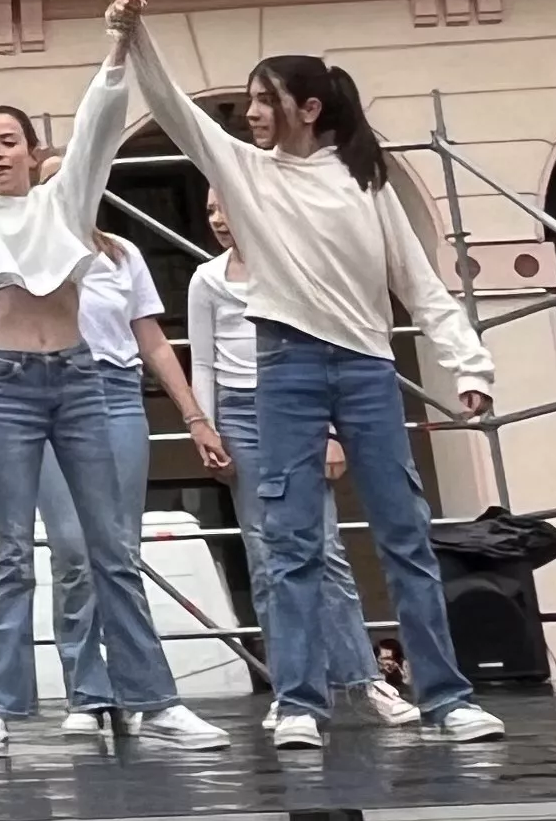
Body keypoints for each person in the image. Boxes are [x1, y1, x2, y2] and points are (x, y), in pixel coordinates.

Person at [129, 5, 509, 746]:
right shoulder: (246, 172)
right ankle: (300, 702)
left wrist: (471, 364)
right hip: (286, 364)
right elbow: (174, 110)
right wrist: (132, 35)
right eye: (249, 99)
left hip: (367, 368)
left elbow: (421, 285)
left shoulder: (365, 182)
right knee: (293, 539)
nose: (251, 112)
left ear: (308, 108)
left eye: (266, 98)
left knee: (405, 534)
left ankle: (446, 698)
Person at [0, 0, 231, 757]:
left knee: (111, 548)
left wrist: (118, 45)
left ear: (31, 149)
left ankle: (157, 700)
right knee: (14, 551)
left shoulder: (66, 202)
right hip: (10, 386)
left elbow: (100, 130)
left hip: (79, 382)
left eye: (8, 139)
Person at [190, 197, 413, 729]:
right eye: (210, 209)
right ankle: (293, 687)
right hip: (239, 414)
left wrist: (331, 430)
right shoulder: (206, 279)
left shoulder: (293, 262)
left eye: (227, 206)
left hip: (296, 404)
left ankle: (363, 680)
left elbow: (324, 346)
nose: (219, 218)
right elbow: (202, 357)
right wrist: (205, 424)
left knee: (325, 547)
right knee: (266, 557)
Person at [42, 226, 229, 731]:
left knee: (120, 552)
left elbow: (153, 340)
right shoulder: (25, 240)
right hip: (52, 393)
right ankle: (86, 693)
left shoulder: (120, 254)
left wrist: (194, 416)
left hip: (117, 390)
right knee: (71, 550)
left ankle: (144, 693)